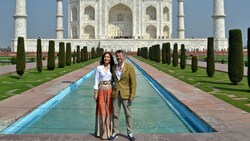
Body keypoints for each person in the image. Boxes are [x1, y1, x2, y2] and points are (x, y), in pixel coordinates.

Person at [110, 50, 137, 141]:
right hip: (116, 94)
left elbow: (133, 82)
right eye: (117, 56)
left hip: (126, 94)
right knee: (115, 114)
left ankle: (129, 132)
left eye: (120, 56)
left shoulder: (129, 67)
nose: (118, 58)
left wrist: (132, 95)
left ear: (124, 56)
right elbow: (112, 80)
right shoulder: (114, 67)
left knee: (128, 114)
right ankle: (115, 131)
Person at [93, 52, 115, 140]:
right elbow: (96, 80)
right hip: (101, 88)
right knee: (101, 110)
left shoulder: (112, 68)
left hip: (110, 89)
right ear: (103, 58)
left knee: (109, 110)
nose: (106, 58)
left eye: (108, 57)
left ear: (110, 59)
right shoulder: (99, 68)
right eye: (105, 57)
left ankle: (110, 132)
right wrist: (95, 92)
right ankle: (102, 132)